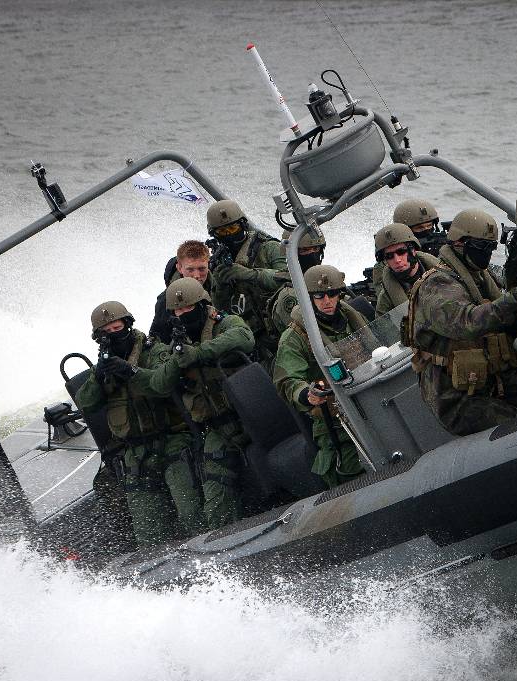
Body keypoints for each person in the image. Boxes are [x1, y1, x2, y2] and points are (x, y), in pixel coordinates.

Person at [405, 208, 517, 435]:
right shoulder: (436, 285)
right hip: (456, 393)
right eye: (481, 247)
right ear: (459, 244)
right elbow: (466, 323)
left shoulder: (483, 276)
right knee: (513, 425)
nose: (486, 254)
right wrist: (514, 298)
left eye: (490, 248)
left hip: (495, 374)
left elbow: (510, 321)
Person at [74, 301, 203, 545]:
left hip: (172, 441)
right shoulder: (104, 366)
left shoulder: (154, 351)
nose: (114, 335)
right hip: (135, 453)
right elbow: (86, 404)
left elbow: (162, 384)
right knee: (148, 532)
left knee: (192, 514)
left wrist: (131, 371)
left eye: (118, 328)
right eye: (107, 332)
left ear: (128, 325)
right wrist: (98, 377)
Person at [134, 278, 256, 528]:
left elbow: (245, 337)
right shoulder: (176, 345)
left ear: (202, 305)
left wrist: (199, 353)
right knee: (216, 500)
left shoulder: (224, 323)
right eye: (177, 311)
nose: (183, 314)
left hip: (252, 414)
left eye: (188, 308)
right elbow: (159, 384)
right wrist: (178, 359)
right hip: (218, 429)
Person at [272, 265, 371, 488]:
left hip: (371, 401)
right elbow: (287, 381)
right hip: (335, 421)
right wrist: (308, 394)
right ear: (308, 298)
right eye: (319, 296)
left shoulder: (352, 318)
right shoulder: (295, 336)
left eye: (332, 294)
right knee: (353, 473)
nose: (327, 301)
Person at [204, 198, 289, 363]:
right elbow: (220, 309)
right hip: (250, 335)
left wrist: (251, 274)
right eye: (222, 232)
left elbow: (289, 278)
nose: (229, 234)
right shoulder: (217, 262)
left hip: (281, 324)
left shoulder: (268, 247)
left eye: (233, 228)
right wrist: (221, 284)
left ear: (243, 225)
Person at [368, 223, 441, 315]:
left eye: (401, 252)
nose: (397, 260)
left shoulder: (445, 274)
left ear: (413, 250)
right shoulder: (386, 298)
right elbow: (384, 322)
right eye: (389, 256)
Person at [150, 239, 210, 342]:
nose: (196, 275)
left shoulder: (222, 282)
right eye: (190, 270)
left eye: (201, 269)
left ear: (208, 265)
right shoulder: (166, 300)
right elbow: (157, 338)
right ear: (179, 268)